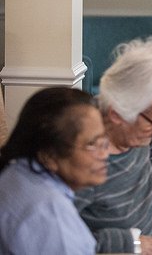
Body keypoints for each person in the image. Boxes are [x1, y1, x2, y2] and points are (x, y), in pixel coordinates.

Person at [74, 38, 152, 255]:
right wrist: (134, 244)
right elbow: (57, 238)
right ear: (117, 114)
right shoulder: (80, 162)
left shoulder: (138, 130)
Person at [0, 87, 109, 254]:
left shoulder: (14, 171)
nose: (104, 154)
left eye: (103, 141)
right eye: (92, 144)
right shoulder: (50, 215)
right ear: (49, 156)